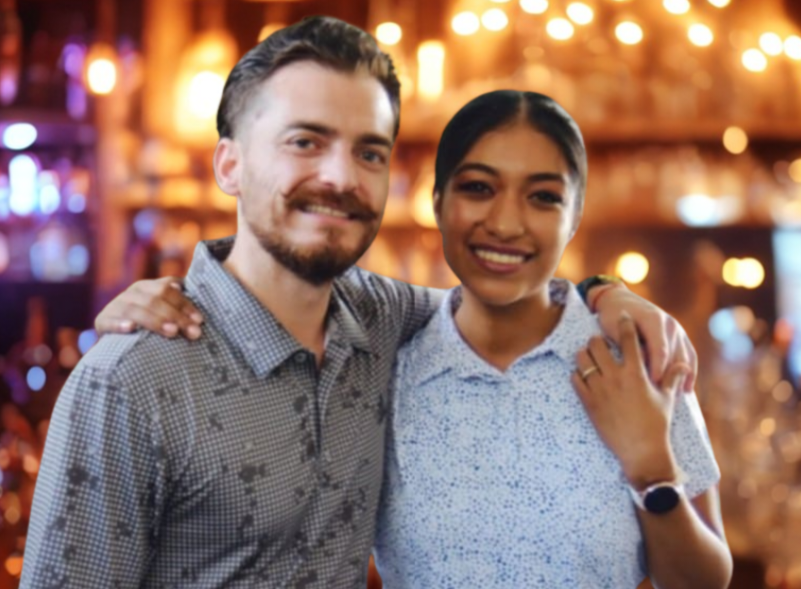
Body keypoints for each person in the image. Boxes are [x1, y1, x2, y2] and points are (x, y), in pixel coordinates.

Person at [22, 16, 697, 589]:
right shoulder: (132, 379)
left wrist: (605, 294)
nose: (340, 177)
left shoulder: (381, 321)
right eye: (305, 141)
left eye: (368, 152)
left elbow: (501, 291)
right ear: (228, 164)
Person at [372, 90, 732, 588]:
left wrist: (652, 469)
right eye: (478, 187)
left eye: (543, 196)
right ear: (437, 201)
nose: (504, 223)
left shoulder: (637, 358)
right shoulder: (384, 375)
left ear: (575, 216)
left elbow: (704, 582)